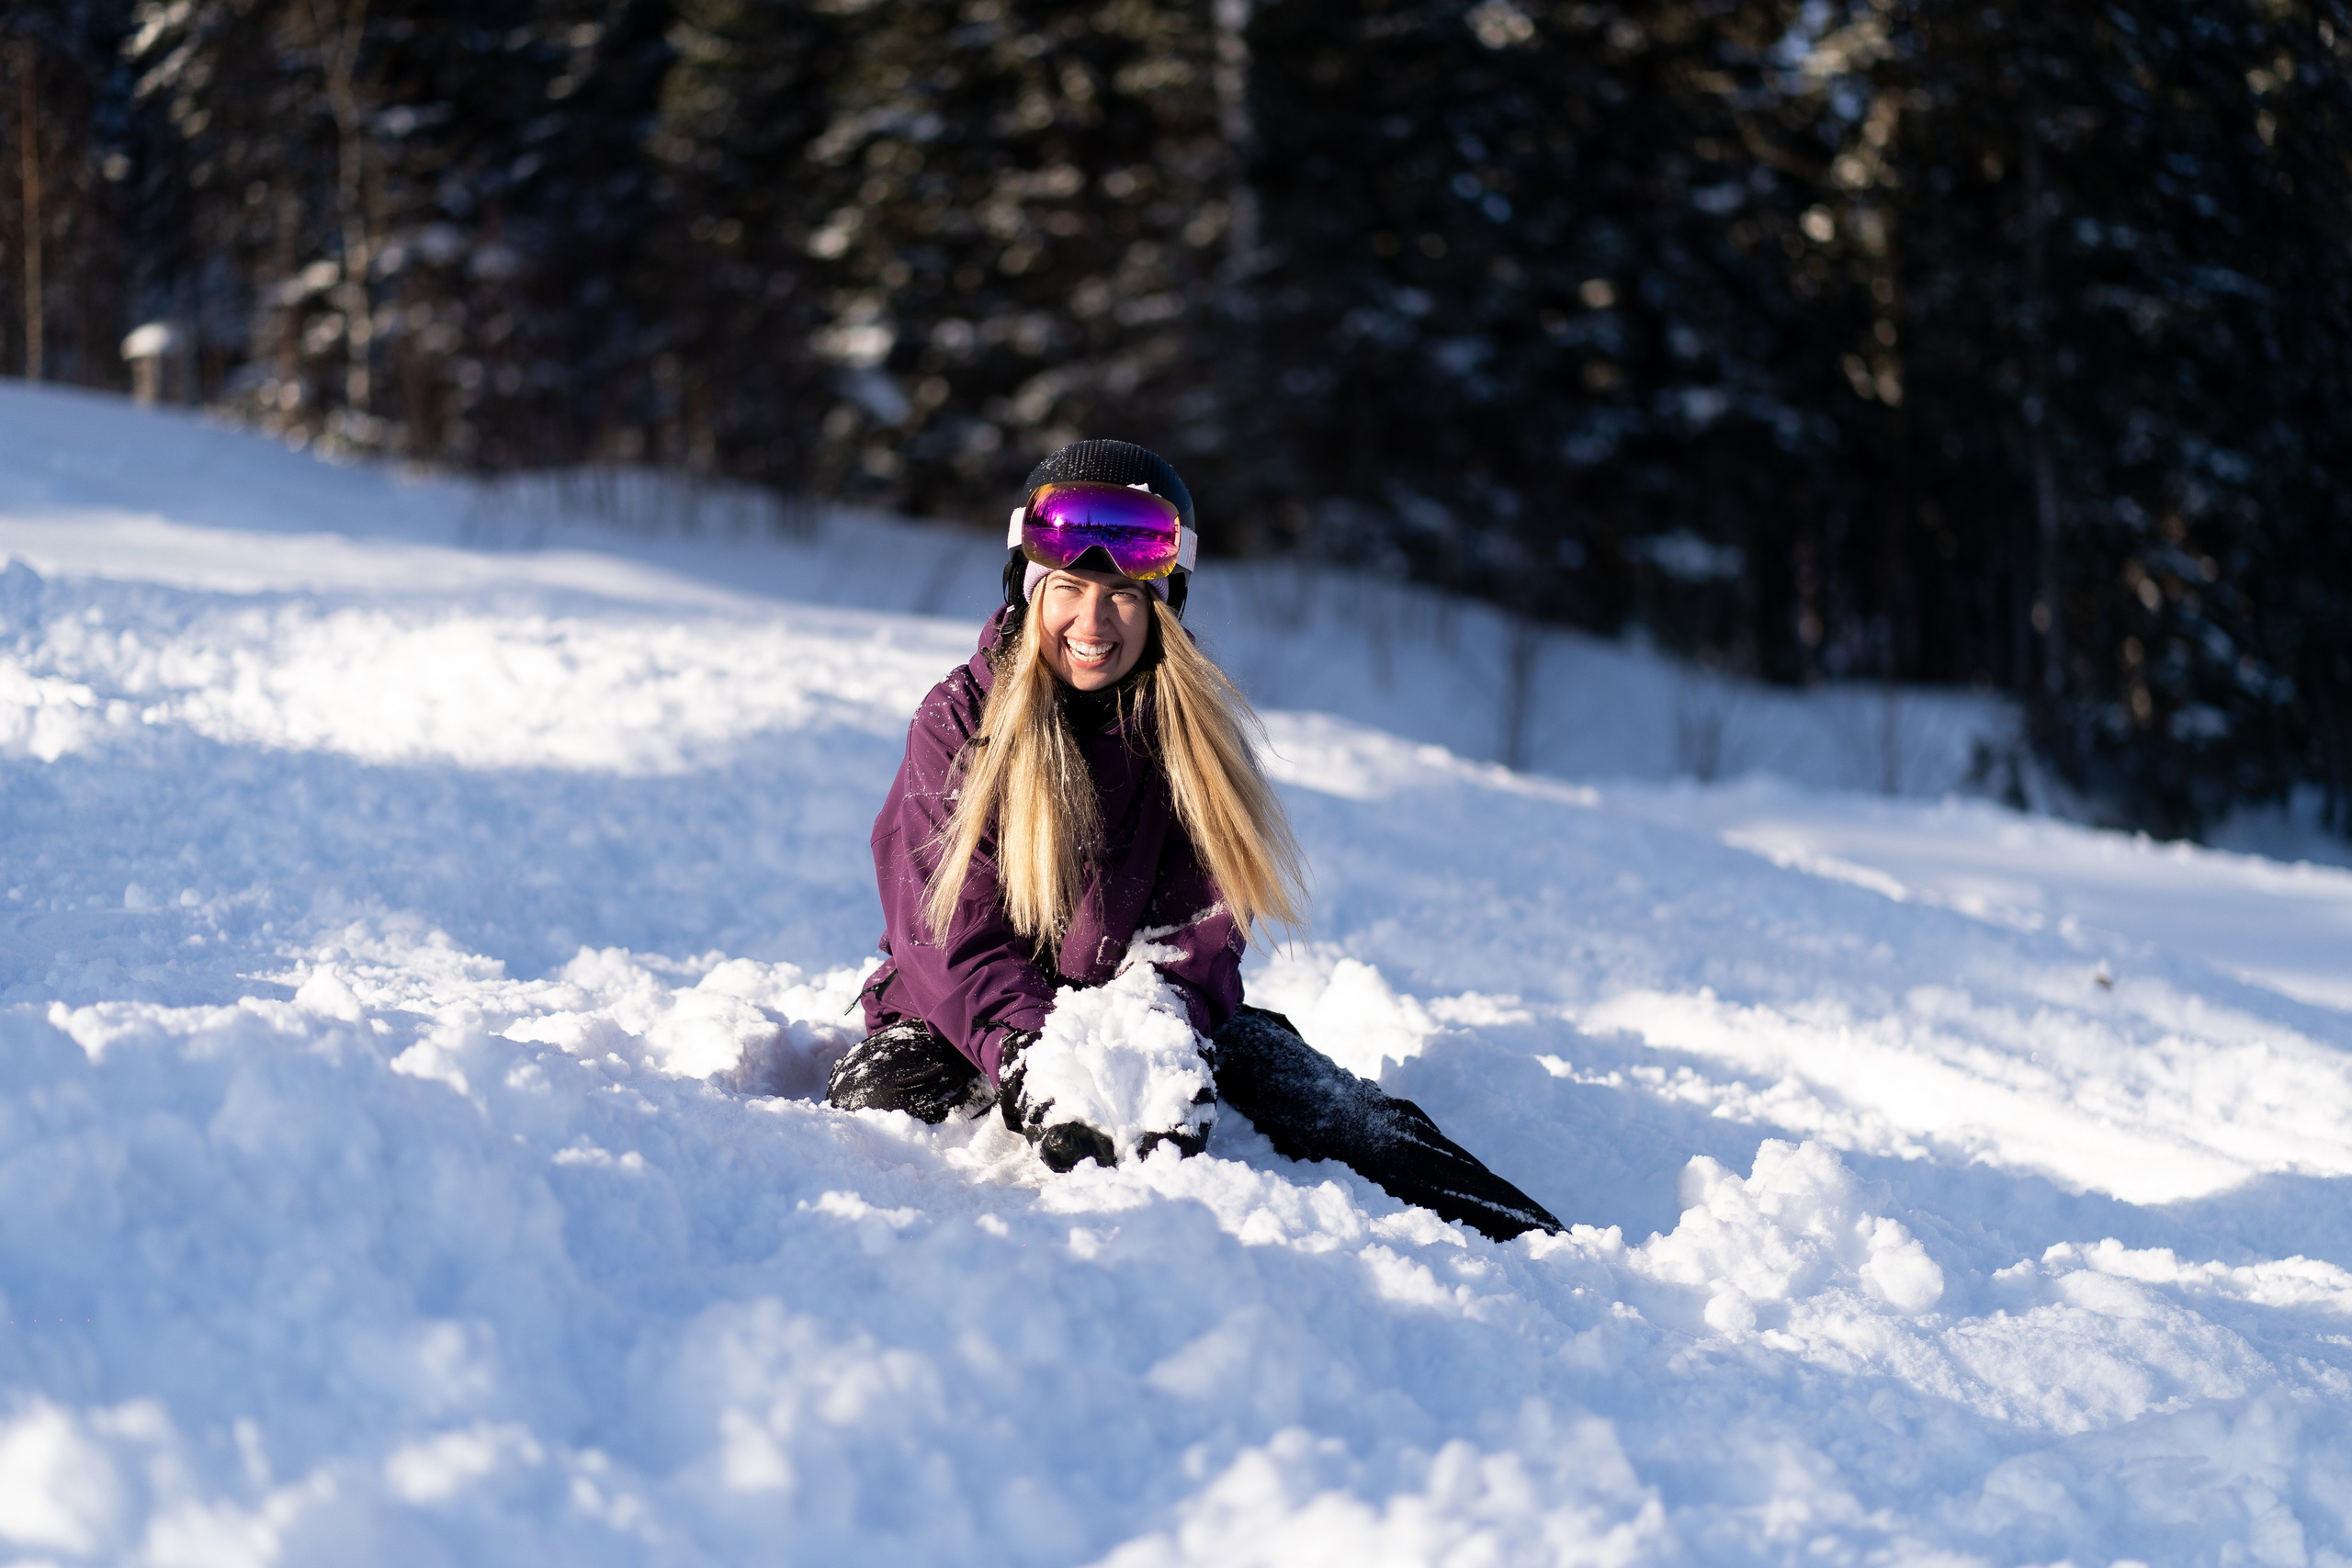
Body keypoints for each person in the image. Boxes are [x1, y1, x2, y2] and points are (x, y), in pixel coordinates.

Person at [826, 439, 1561, 1242]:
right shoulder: (961, 719)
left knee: (1348, 1124)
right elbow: (946, 931)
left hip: (1149, 1004)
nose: (1093, 621)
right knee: (877, 1109)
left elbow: (1200, 925)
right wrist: (1035, 1057)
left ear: (1163, 607)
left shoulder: (1193, 737)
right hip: (967, 1021)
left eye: (1125, 596)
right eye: (1067, 587)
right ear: (1029, 591)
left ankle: (1544, 1249)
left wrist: (1165, 1037)